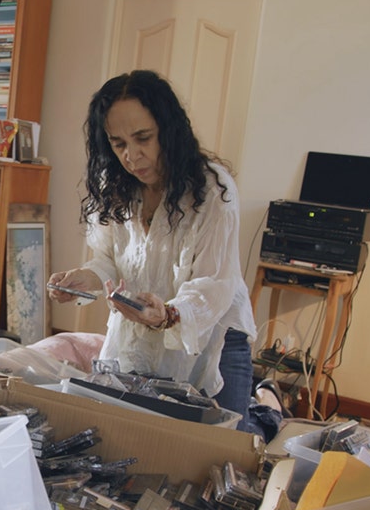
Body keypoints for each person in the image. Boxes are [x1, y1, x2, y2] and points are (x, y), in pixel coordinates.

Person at [47, 70, 261, 433]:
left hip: (212, 334)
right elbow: (110, 260)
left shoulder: (212, 189)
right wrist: (83, 279)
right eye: (118, 143)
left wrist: (169, 315)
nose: (131, 156)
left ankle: (267, 410)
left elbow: (214, 285)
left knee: (225, 446)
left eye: (143, 138)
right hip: (141, 330)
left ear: (169, 130)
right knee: (137, 436)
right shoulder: (115, 183)